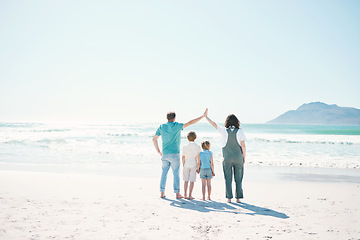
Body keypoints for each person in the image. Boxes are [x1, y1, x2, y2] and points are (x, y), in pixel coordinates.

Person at [152, 109, 207, 199]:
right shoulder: (177, 125)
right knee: (176, 174)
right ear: (174, 118)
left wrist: (158, 151)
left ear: (167, 118)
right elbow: (190, 122)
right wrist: (202, 116)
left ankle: (162, 193)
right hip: (175, 154)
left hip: (165, 154)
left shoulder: (161, 127)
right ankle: (177, 194)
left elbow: (154, 139)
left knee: (164, 173)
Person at [205, 111, 246, 203]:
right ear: (236, 122)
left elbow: (214, 124)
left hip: (227, 158)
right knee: (238, 178)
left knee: (228, 178)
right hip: (238, 157)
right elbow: (243, 145)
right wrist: (244, 157)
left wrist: (206, 117)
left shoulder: (223, 130)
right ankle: (238, 198)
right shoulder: (240, 131)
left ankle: (229, 198)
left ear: (227, 122)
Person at [182, 131, 202, 200]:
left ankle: (185, 195)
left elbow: (183, 157)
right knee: (192, 180)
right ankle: (190, 195)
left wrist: (183, 165)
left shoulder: (185, 146)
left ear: (187, 138)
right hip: (194, 164)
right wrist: (198, 167)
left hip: (186, 163)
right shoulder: (198, 146)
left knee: (186, 180)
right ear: (195, 138)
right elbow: (198, 158)